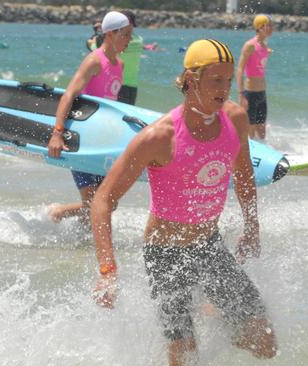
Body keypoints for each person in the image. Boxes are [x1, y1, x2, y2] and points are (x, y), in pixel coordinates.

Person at [90, 39, 277, 366]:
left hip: (209, 247)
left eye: (229, 81)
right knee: (185, 357)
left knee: (265, 343)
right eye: (216, 81)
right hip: (165, 254)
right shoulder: (159, 137)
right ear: (191, 80)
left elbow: (244, 177)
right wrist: (108, 269)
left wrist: (251, 226)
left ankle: (218, 315)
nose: (224, 89)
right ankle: (207, 312)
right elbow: (103, 199)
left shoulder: (234, 119)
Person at [47, 11, 132, 226]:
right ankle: (57, 213)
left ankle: (81, 243)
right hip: (83, 138)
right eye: (126, 34)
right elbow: (69, 94)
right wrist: (57, 133)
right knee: (95, 201)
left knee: (108, 203)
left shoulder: (120, 65)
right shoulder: (94, 61)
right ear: (111, 34)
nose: (130, 39)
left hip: (103, 141)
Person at [237, 14, 273, 141]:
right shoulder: (249, 45)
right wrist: (241, 95)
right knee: (250, 131)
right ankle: (247, 156)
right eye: (269, 26)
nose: (272, 29)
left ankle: (263, 154)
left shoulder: (264, 46)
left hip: (262, 94)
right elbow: (240, 69)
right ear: (260, 27)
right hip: (250, 93)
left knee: (262, 131)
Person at [117, 10, 143, 105]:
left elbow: (96, 48)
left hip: (119, 84)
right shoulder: (140, 39)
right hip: (133, 85)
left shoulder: (122, 40)